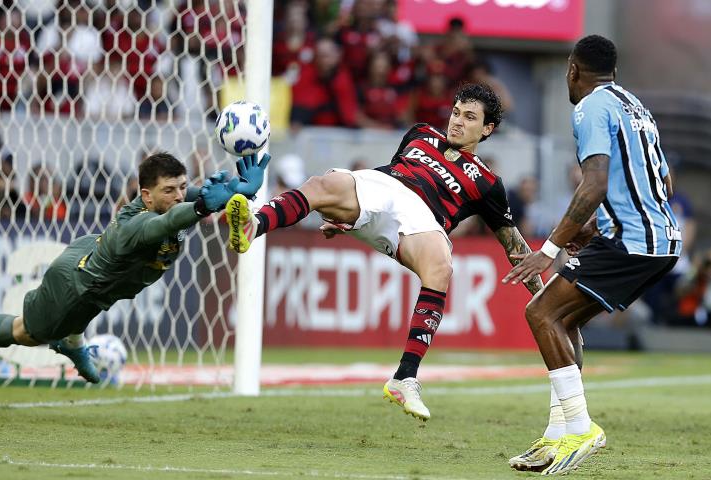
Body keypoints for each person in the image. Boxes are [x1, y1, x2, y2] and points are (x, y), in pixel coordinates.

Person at [215, 83, 543, 421]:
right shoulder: (420, 133)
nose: (457, 121)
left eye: (470, 117)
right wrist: (351, 219)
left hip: (425, 218)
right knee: (324, 184)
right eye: (456, 112)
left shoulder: (488, 183)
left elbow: (513, 244)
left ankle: (404, 377)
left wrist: (544, 297)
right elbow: (387, 180)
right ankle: (254, 224)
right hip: (386, 185)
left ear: (487, 129)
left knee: (441, 267)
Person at [502, 35, 681, 475]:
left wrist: (549, 250)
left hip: (633, 242)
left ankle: (581, 427)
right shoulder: (636, 106)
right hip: (657, 240)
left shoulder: (589, 108)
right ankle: (557, 436)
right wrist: (593, 228)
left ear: (572, 69)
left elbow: (594, 184)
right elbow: (664, 185)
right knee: (565, 320)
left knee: (541, 313)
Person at [0, 152, 269, 382]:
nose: (179, 196)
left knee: (93, 303)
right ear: (146, 196)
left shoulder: (172, 199)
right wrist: (200, 206)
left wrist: (235, 190)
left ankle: (71, 341)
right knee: (25, 332)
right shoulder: (140, 225)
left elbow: (195, 197)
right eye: (169, 191)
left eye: (182, 187)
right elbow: (169, 221)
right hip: (75, 287)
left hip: (94, 266)